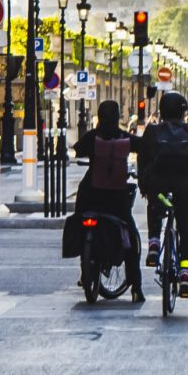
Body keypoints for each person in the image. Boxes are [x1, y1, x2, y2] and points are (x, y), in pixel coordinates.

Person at [137, 90, 188, 294]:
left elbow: (142, 159)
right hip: (184, 188)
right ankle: (186, 272)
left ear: (161, 111)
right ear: (183, 113)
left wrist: (144, 185)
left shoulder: (152, 132)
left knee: (155, 209)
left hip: (159, 185)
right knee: (185, 228)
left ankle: (153, 243)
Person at [69, 99, 143, 301]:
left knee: (81, 221)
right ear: (117, 116)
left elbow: (77, 148)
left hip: (90, 194)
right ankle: (136, 288)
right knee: (130, 235)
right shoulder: (123, 137)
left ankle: (84, 270)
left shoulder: (93, 137)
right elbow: (142, 146)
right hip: (115, 196)